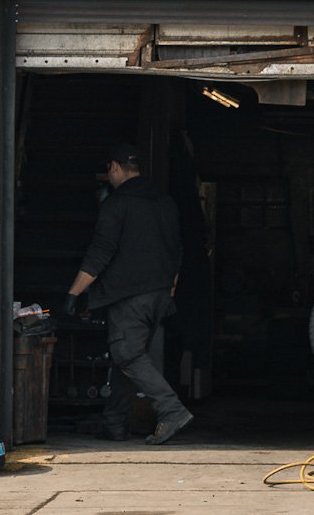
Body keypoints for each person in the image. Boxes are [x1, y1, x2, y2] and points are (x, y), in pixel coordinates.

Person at [65, 142, 193, 445]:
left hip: (130, 296)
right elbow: (177, 249)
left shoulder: (117, 203)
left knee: (128, 354)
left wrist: (74, 293)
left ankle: (171, 410)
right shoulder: (165, 201)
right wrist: (170, 288)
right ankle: (115, 423)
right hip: (160, 293)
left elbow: (100, 253)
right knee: (127, 358)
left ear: (114, 167)